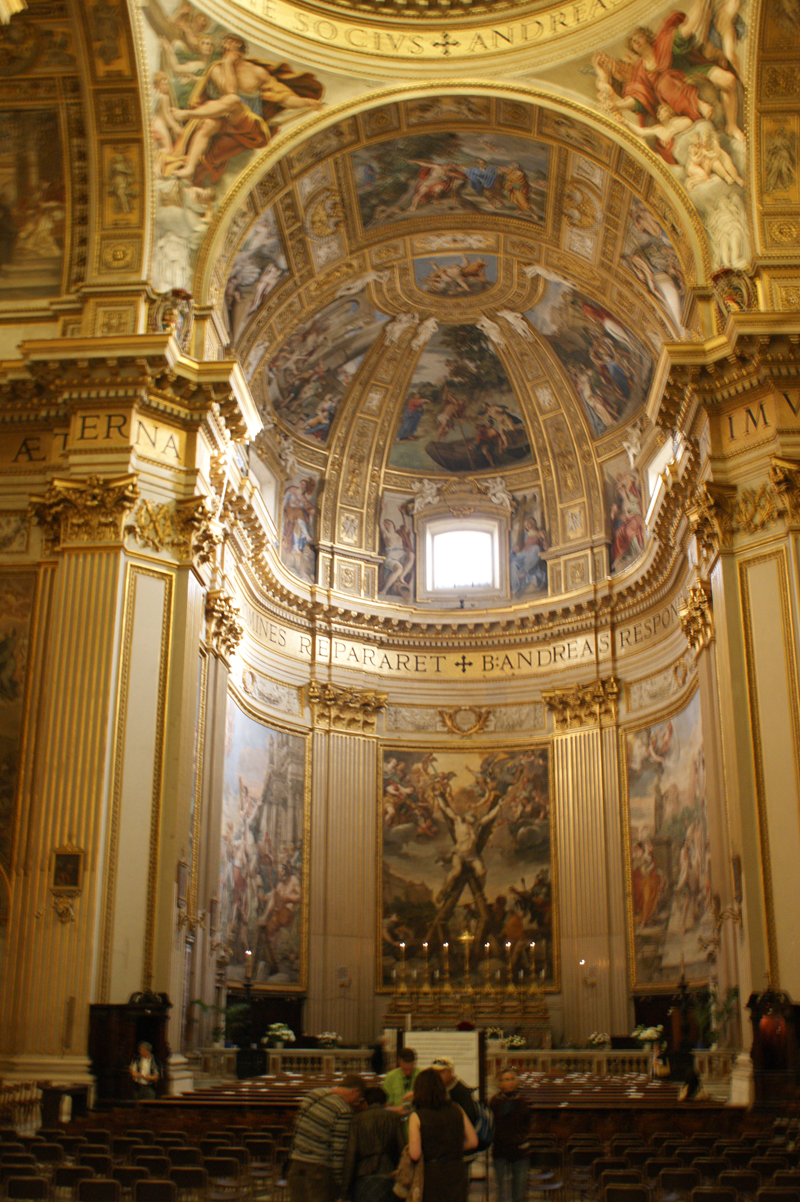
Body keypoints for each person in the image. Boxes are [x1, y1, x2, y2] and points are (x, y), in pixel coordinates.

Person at [287, 1073, 366, 1202]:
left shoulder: (314, 1094)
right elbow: (338, 1151)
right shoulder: (344, 1110)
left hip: (296, 1164)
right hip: (318, 1171)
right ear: (355, 1091)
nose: (356, 1103)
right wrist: (340, 1184)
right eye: (358, 1098)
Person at [408, 1067, 478, 1202]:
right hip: (456, 1170)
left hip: (431, 1174)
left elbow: (415, 1154)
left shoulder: (417, 1116)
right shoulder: (456, 1109)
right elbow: (473, 1141)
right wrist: (453, 1148)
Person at [340, 1085, 403, 1202]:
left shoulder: (357, 1120)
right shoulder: (394, 1118)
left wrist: (344, 1193)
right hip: (389, 1175)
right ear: (384, 1102)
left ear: (365, 1102)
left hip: (363, 1178)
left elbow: (351, 1155)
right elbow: (402, 1149)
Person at [489, 1069, 531, 1202]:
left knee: (519, 1191)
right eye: (505, 1080)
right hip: (500, 1149)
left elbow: (527, 1124)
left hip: (519, 1150)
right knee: (501, 1191)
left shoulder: (523, 1101)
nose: (509, 1083)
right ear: (499, 1083)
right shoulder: (495, 1102)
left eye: (511, 1079)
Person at [430, 1056, 478, 1124]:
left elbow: (470, 1118)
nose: (437, 1075)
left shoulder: (461, 1092)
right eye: (434, 1072)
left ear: (450, 1071)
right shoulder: (434, 1087)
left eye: (441, 1072)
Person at [382, 1047, 418, 1118]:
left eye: (410, 1069)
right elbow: (385, 1106)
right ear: (399, 1062)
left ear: (414, 1063)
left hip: (417, 1117)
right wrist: (396, 1110)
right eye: (405, 1069)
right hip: (396, 1118)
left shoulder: (421, 1074)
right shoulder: (391, 1077)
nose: (408, 1072)